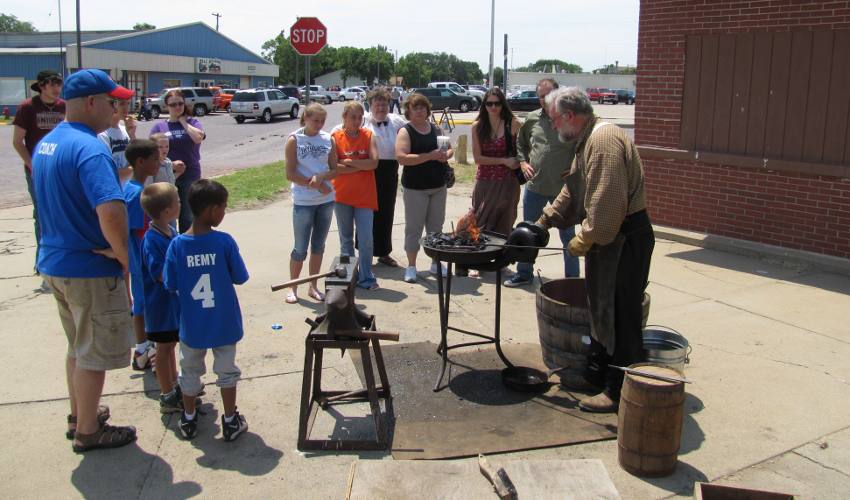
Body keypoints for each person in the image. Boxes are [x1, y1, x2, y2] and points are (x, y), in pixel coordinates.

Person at [32, 68, 137, 452]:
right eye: (112, 102)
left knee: (77, 345)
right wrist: (126, 259)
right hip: (89, 267)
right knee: (93, 352)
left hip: (56, 263)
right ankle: (89, 431)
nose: (117, 110)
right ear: (91, 102)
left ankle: (80, 413)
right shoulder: (92, 148)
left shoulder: (49, 143)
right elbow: (110, 211)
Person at [533, 87, 654, 413]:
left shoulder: (602, 143)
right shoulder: (586, 141)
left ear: (570, 116)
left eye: (555, 120)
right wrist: (542, 223)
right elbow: (573, 192)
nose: (554, 126)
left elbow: (606, 210)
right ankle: (599, 376)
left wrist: (583, 240)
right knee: (602, 310)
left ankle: (619, 392)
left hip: (624, 239)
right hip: (611, 239)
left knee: (619, 316)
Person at [164, 179, 250, 441]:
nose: (224, 212)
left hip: (193, 324)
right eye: (223, 207)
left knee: (189, 371)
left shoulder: (177, 245)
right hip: (223, 322)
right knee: (226, 370)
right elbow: (240, 276)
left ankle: (188, 418)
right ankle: (230, 419)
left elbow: (170, 283)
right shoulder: (224, 242)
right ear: (212, 210)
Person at [504, 78, 579, 288]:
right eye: (540, 96)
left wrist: (575, 168)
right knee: (527, 234)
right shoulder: (531, 119)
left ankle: (573, 280)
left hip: (563, 192)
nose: (544, 100)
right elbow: (521, 143)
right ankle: (524, 274)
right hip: (535, 188)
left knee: (568, 237)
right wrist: (522, 162)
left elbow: (582, 147)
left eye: (548, 95)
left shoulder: (568, 118)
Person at [460, 88, 522, 278]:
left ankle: (500, 262)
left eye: (497, 103)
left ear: (503, 103)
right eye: (489, 103)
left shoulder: (513, 123)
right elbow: (478, 158)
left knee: (505, 220)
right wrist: (503, 161)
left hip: (508, 181)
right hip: (486, 180)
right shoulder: (478, 126)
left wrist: (518, 161)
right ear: (484, 105)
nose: (493, 107)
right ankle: (477, 260)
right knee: (481, 219)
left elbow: (522, 152)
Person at [395, 93, 453, 283]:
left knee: (436, 228)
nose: (419, 111)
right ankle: (411, 267)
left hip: (438, 186)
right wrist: (430, 155)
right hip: (415, 188)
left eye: (422, 107)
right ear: (408, 111)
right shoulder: (406, 131)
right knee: (414, 228)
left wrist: (446, 155)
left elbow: (449, 148)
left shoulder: (436, 128)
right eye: (415, 107)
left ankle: (436, 262)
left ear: (427, 110)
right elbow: (402, 157)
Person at [283, 103, 337, 304]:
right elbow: (290, 173)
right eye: (316, 120)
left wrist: (322, 177)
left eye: (322, 121)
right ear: (305, 118)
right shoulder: (295, 140)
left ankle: (313, 286)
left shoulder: (328, 139)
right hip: (304, 201)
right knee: (300, 247)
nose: (319, 124)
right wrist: (314, 184)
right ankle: (292, 287)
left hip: (326, 201)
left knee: (318, 246)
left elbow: (335, 169)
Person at [11, 69, 66, 272]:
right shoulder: (27, 108)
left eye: (59, 83)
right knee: (42, 213)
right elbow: (17, 142)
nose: (57, 88)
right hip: (37, 170)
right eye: (52, 83)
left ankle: (62, 254)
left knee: (61, 210)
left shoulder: (64, 107)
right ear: (41, 85)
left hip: (60, 169)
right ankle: (43, 259)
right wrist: (32, 165)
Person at [140, 182, 182, 414]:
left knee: (170, 345)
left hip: (172, 305)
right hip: (160, 306)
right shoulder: (152, 239)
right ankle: (167, 394)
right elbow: (158, 273)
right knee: (163, 349)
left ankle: (174, 384)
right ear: (167, 210)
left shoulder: (170, 231)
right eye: (177, 200)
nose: (181, 203)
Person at [331, 101, 380, 290]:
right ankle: (350, 276)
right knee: (346, 239)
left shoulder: (369, 135)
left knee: (366, 239)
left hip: (365, 196)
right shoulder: (335, 137)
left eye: (360, 117)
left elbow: (374, 163)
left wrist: (349, 162)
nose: (357, 121)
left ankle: (367, 277)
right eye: (353, 117)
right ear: (344, 117)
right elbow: (334, 167)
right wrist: (361, 164)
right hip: (341, 195)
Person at [123, 140, 161, 371]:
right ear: (140, 162)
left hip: (139, 263)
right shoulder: (137, 195)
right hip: (143, 263)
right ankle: (145, 351)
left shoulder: (131, 188)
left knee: (141, 305)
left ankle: (143, 348)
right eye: (155, 160)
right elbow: (141, 234)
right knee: (145, 307)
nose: (159, 163)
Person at [362, 87, 406, 268]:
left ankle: (384, 252)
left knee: (387, 212)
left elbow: (413, 131)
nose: (381, 108)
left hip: (389, 170)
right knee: (366, 214)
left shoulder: (397, 121)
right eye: (377, 104)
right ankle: (364, 253)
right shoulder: (362, 121)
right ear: (370, 106)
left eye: (384, 104)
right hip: (368, 171)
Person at [150, 90, 206, 233]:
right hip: (166, 174)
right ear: (166, 106)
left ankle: (186, 244)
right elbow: (152, 151)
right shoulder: (159, 127)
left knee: (188, 214)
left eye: (180, 103)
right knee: (168, 213)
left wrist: (182, 121)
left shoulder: (193, 122)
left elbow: (198, 138)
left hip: (190, 174)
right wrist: (171, 163)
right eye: (173, 104)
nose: (177, 107)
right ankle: (170, 243)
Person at [98, 94, 136, 183]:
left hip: (127, 190)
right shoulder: (102, 133)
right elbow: (108, 174)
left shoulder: (125, 129)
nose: (126, 108)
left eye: (128, 104)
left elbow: (136, 156)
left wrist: (132, 136)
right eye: (122, 104)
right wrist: (135, 168)